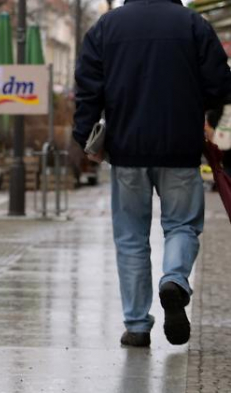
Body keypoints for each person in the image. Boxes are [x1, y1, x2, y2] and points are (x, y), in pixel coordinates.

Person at [73, 0, 231, 347]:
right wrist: (192, 102)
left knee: (130, 237)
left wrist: (84, 136)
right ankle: (173, 281)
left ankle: (137, 326)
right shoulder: (193, 24)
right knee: (182, 225)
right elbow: (221, 84)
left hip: (127, 148)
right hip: (180, 146)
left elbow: (88, 89)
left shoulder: (106, 27)